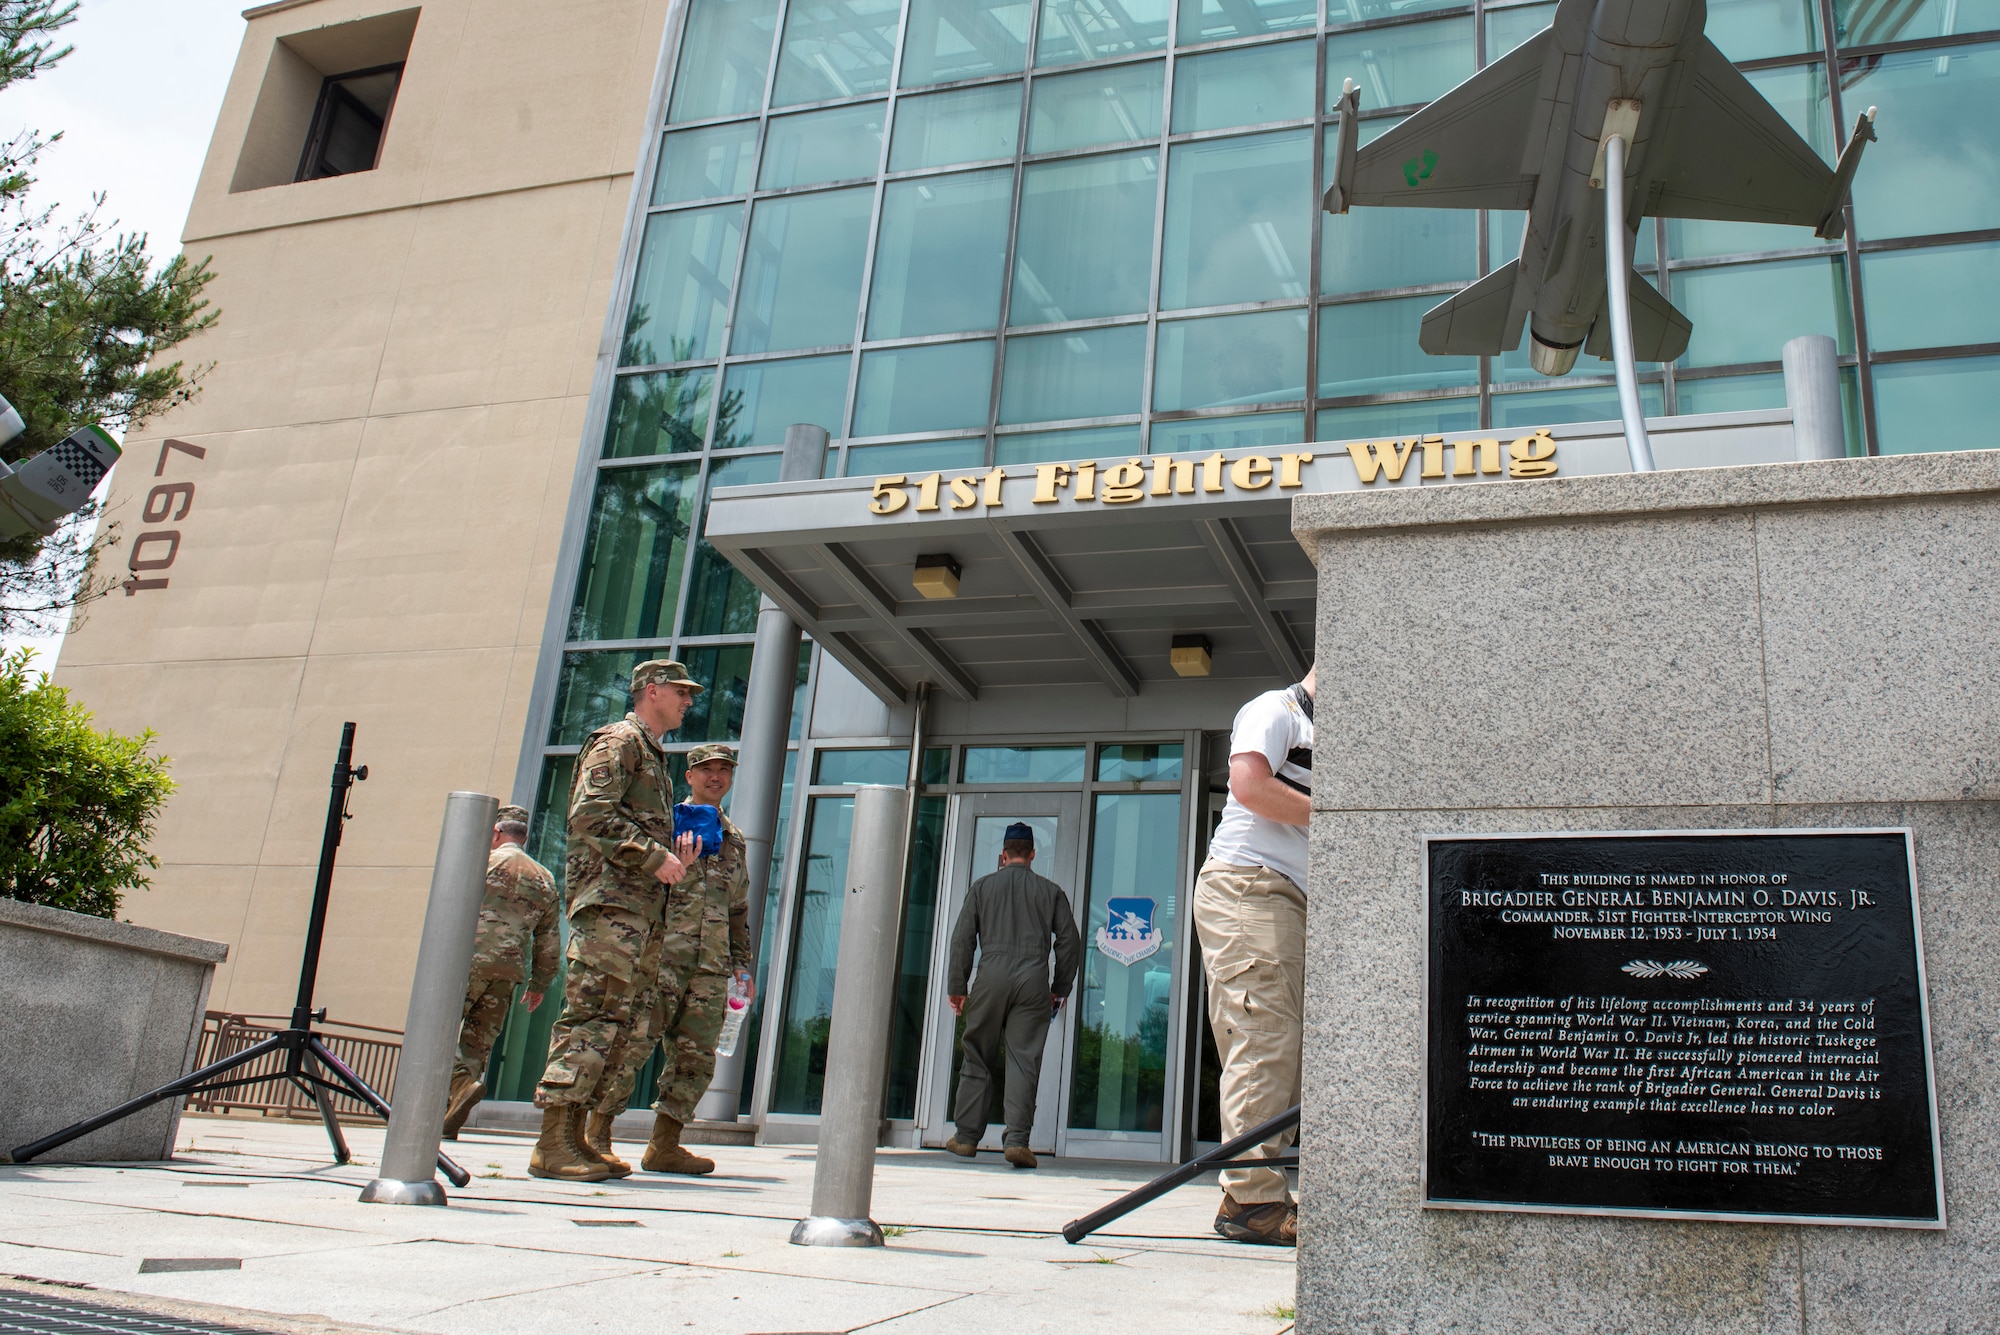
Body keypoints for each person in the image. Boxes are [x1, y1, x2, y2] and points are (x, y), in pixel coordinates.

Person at [529, 659, 700, 1182]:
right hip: (611, 906)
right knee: (591, 1015)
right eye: (680, 692)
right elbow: (589, 814)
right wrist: (653, 857)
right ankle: (551, 1144)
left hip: (639, 910)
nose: (688, 701)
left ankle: (577, 1138)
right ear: (652, 692)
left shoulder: (652, 754)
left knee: (619, 1023)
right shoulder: (618, 741)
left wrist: (672, 858)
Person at [585, 742, 755, 1177]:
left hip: (711, 965)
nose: (716, 777)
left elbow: (738, 909)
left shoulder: (734, 838)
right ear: (689, 776)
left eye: (724, 771)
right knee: (633, 1044)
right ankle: (595, 1137)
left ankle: (665, 1145)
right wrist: (674, 861)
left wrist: (742, 965)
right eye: (706, 770)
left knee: (696, 1057)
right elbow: (637, 883)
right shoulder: (664, 824)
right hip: (662, 954)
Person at [1194, 662, 1314, 1245]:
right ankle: (1252, 1201)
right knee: (1265, 1036)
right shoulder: (1278, 710)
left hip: (1287, 894)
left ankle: (1256, 1192)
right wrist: (1344, 815)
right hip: (1249, 884)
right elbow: (1248, 785)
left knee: (1280, 1046)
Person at [943, 823, 1082, 1169]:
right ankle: (1018, 1141)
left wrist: (957, 987)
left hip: (990, 977)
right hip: (1033, 980)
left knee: (977, 1053)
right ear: (1033, 854)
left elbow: (963, 940)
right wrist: (1059, 989)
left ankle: (965, 1137)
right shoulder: (1050, 892)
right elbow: (1070, 943)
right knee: (1024, 1059)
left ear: (1003, 855)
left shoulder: (982, 887)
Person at [441, 805, 559, 1140]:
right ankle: (449, 1115)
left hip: (465, 962)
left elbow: (449, 906)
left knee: (440, 1033)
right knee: (477, 1044)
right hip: (507, 971)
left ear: (495, 833)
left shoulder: (481, 863)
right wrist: (540, 984)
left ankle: (459, 1085)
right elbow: (548, 940)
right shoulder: (545, 878)